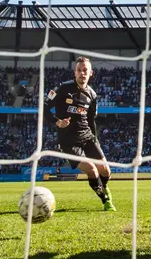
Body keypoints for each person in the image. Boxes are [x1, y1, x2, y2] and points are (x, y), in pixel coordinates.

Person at [44, 56, 116, 211]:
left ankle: (103, 187)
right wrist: (57, 121)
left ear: (91, 73)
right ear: (74, 73)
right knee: (91, 169)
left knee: (106, 170)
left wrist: (95, 139)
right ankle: (106, 201)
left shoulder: (92, 95)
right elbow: (44, 107)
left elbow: (91, 121)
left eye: (85, 70)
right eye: (79, 70)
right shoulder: (63, 88)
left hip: (88, 137)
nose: (82, 73)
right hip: (68, 141)